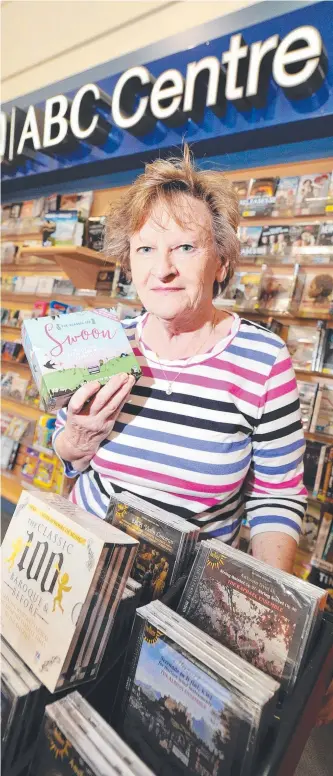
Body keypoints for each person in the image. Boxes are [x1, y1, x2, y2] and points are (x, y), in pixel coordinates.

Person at [54, 146, 307, 574]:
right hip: (79, 565)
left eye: (185, 247)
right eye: (146, 249)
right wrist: (77, 439)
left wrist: (271, 600)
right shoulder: (107, 341)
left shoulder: (264, 360)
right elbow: (67, 455)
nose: (163, 269)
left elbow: (276, 495)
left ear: (221, 262)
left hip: (179, 598)